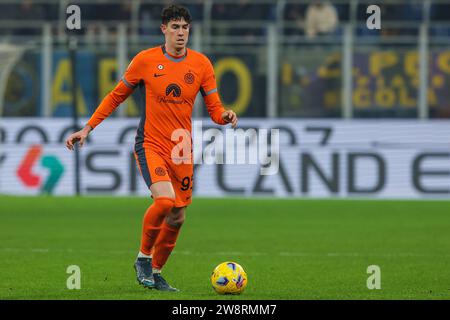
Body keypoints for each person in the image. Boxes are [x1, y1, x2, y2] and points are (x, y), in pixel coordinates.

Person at [65, 4, 238, 292]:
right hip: (151, 143)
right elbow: (115, 96)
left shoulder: (202, 64)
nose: (180, 33)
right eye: (175, 27)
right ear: (164, 30)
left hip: (182, 149)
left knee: (178, 216)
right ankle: (143, 258)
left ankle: (155, 272)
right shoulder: (145, 61)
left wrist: (225, 116)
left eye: (184, 27)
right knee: (165, 201)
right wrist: (87, 128)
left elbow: (214, 109)